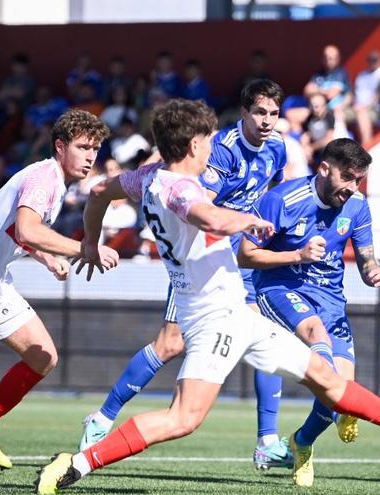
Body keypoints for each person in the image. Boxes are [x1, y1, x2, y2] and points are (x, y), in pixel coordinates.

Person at [35, 98, 380, 495]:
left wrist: (89, 241)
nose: (214, 146)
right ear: (194, 145)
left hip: (234, 314)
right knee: (183, 418)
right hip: (215, 320)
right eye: (209, 139)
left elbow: (101, 190)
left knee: (325, 377)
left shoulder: (148, 177)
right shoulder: (179, 189)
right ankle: (76, 463)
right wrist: (246, 220)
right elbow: (206, 215)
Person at [76, 80, 292, 470]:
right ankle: (103, 417)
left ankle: (268, 441)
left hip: (236, 261)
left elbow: (262, 195)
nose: (267, 121)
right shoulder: (219, 151)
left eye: (274, 113)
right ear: (243, 112)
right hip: (201, 260)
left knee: (264, 336)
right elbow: (196, 205)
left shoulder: (277, 149)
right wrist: (239, 224)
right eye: (260, 112)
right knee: (169, 344)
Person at [0, 109, 118, 470]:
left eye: (95, 149)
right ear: (59, 146)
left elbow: (16, 232)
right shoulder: (44, 180)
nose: (90, 156)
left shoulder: (51, 181)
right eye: (83, 147)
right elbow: (26, 230)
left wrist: (45, 257)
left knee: (42, 356)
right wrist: (86, 248)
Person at [238, 137, 380, 487]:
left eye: (360, 180)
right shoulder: (282, 199)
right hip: (280, 287)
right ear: (325, 169)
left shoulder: (358, 206)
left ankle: (301, 443)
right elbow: (246, 255)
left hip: (331, 300)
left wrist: (373, 273)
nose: (354, 188)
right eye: (349, 178)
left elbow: (367, 259)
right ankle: (267, 437)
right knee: (316, 337)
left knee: (341, 393)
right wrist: (298, 256)